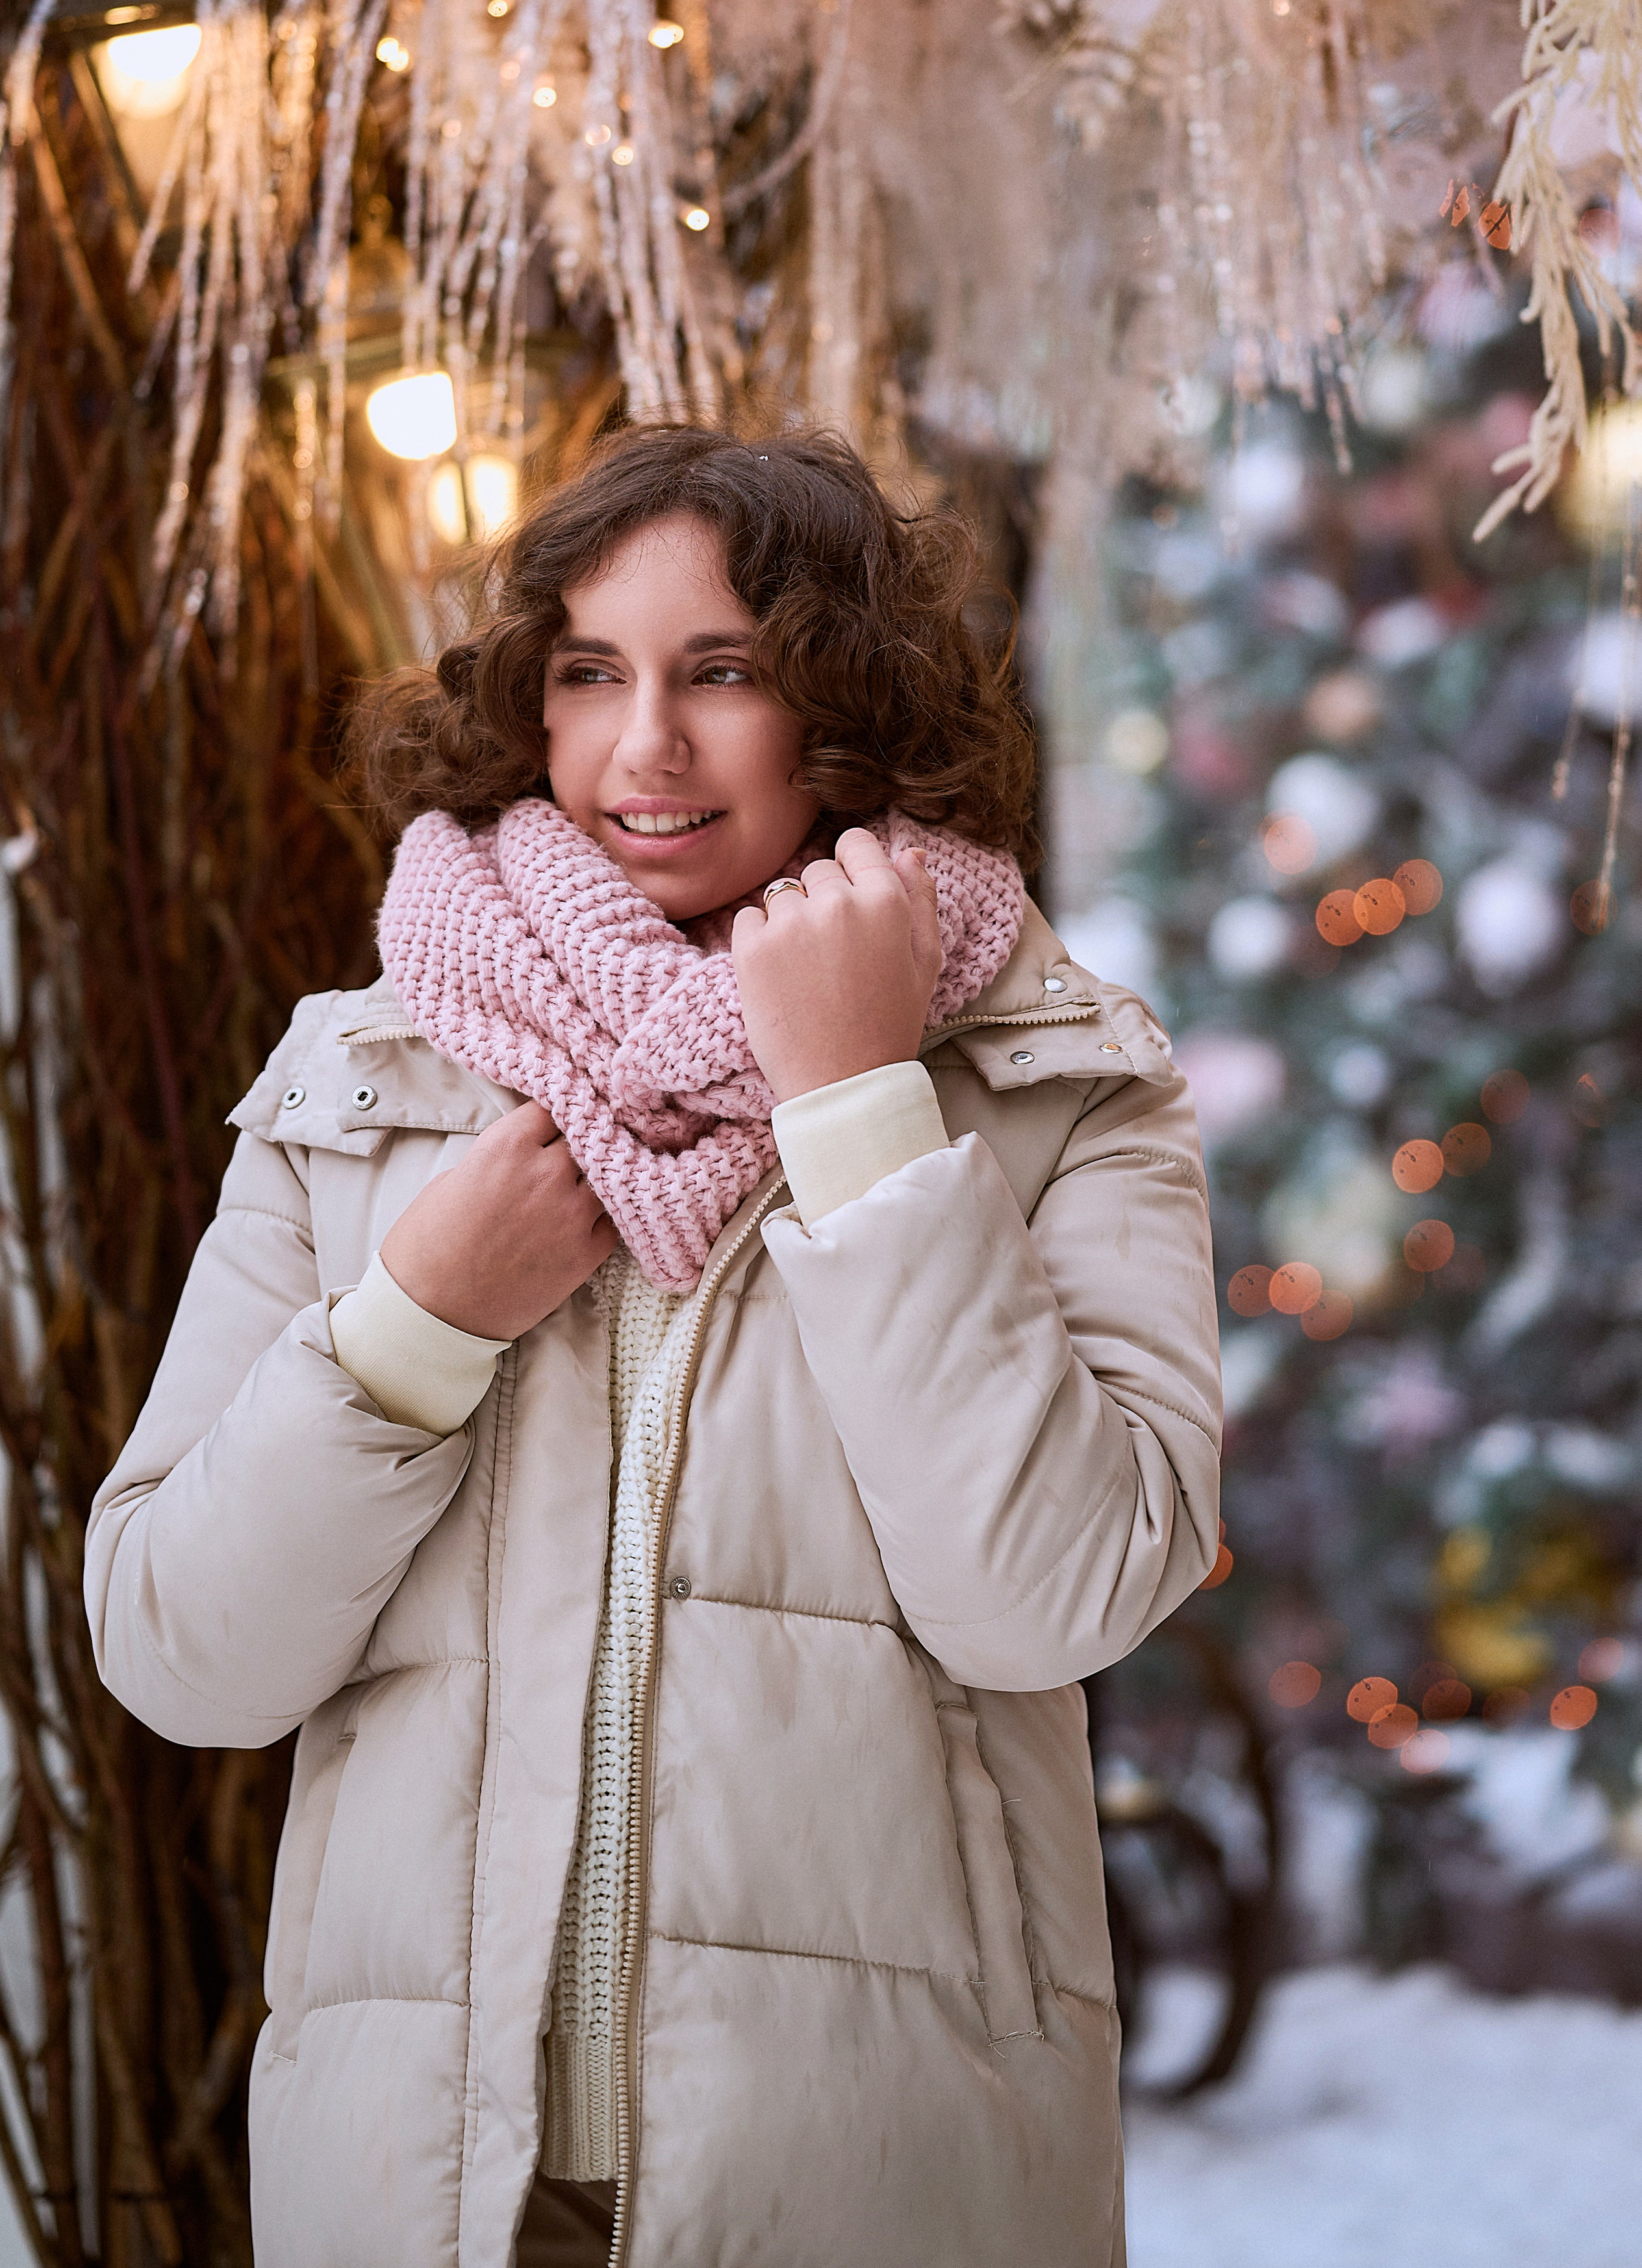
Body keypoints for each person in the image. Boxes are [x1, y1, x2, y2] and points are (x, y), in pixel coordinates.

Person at [86, 425, 1222, 2268]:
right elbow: (176, 1654)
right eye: (590, 673)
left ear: (845, 705)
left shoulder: (1058, 1080)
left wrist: (861, 1109)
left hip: (882, 2177)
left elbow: (1059, 1599)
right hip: (429, 2196)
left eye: (727, 673)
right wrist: (416, 1323)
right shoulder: (361, 1085)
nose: (648, 747)